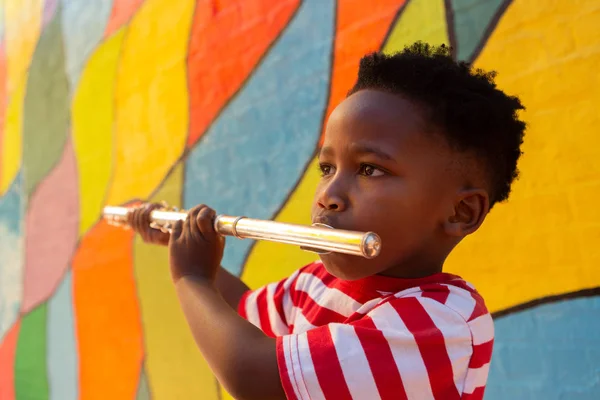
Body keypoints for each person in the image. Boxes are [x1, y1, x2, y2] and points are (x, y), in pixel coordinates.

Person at [129, 42, 526, 400]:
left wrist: (191, 279)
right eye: (326, 168)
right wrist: (179, 238)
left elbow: (256, 375)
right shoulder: (318, 283)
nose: (329, 196)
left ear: (461, 213)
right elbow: (239, 312)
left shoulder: (442, 321)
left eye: (370, 170)